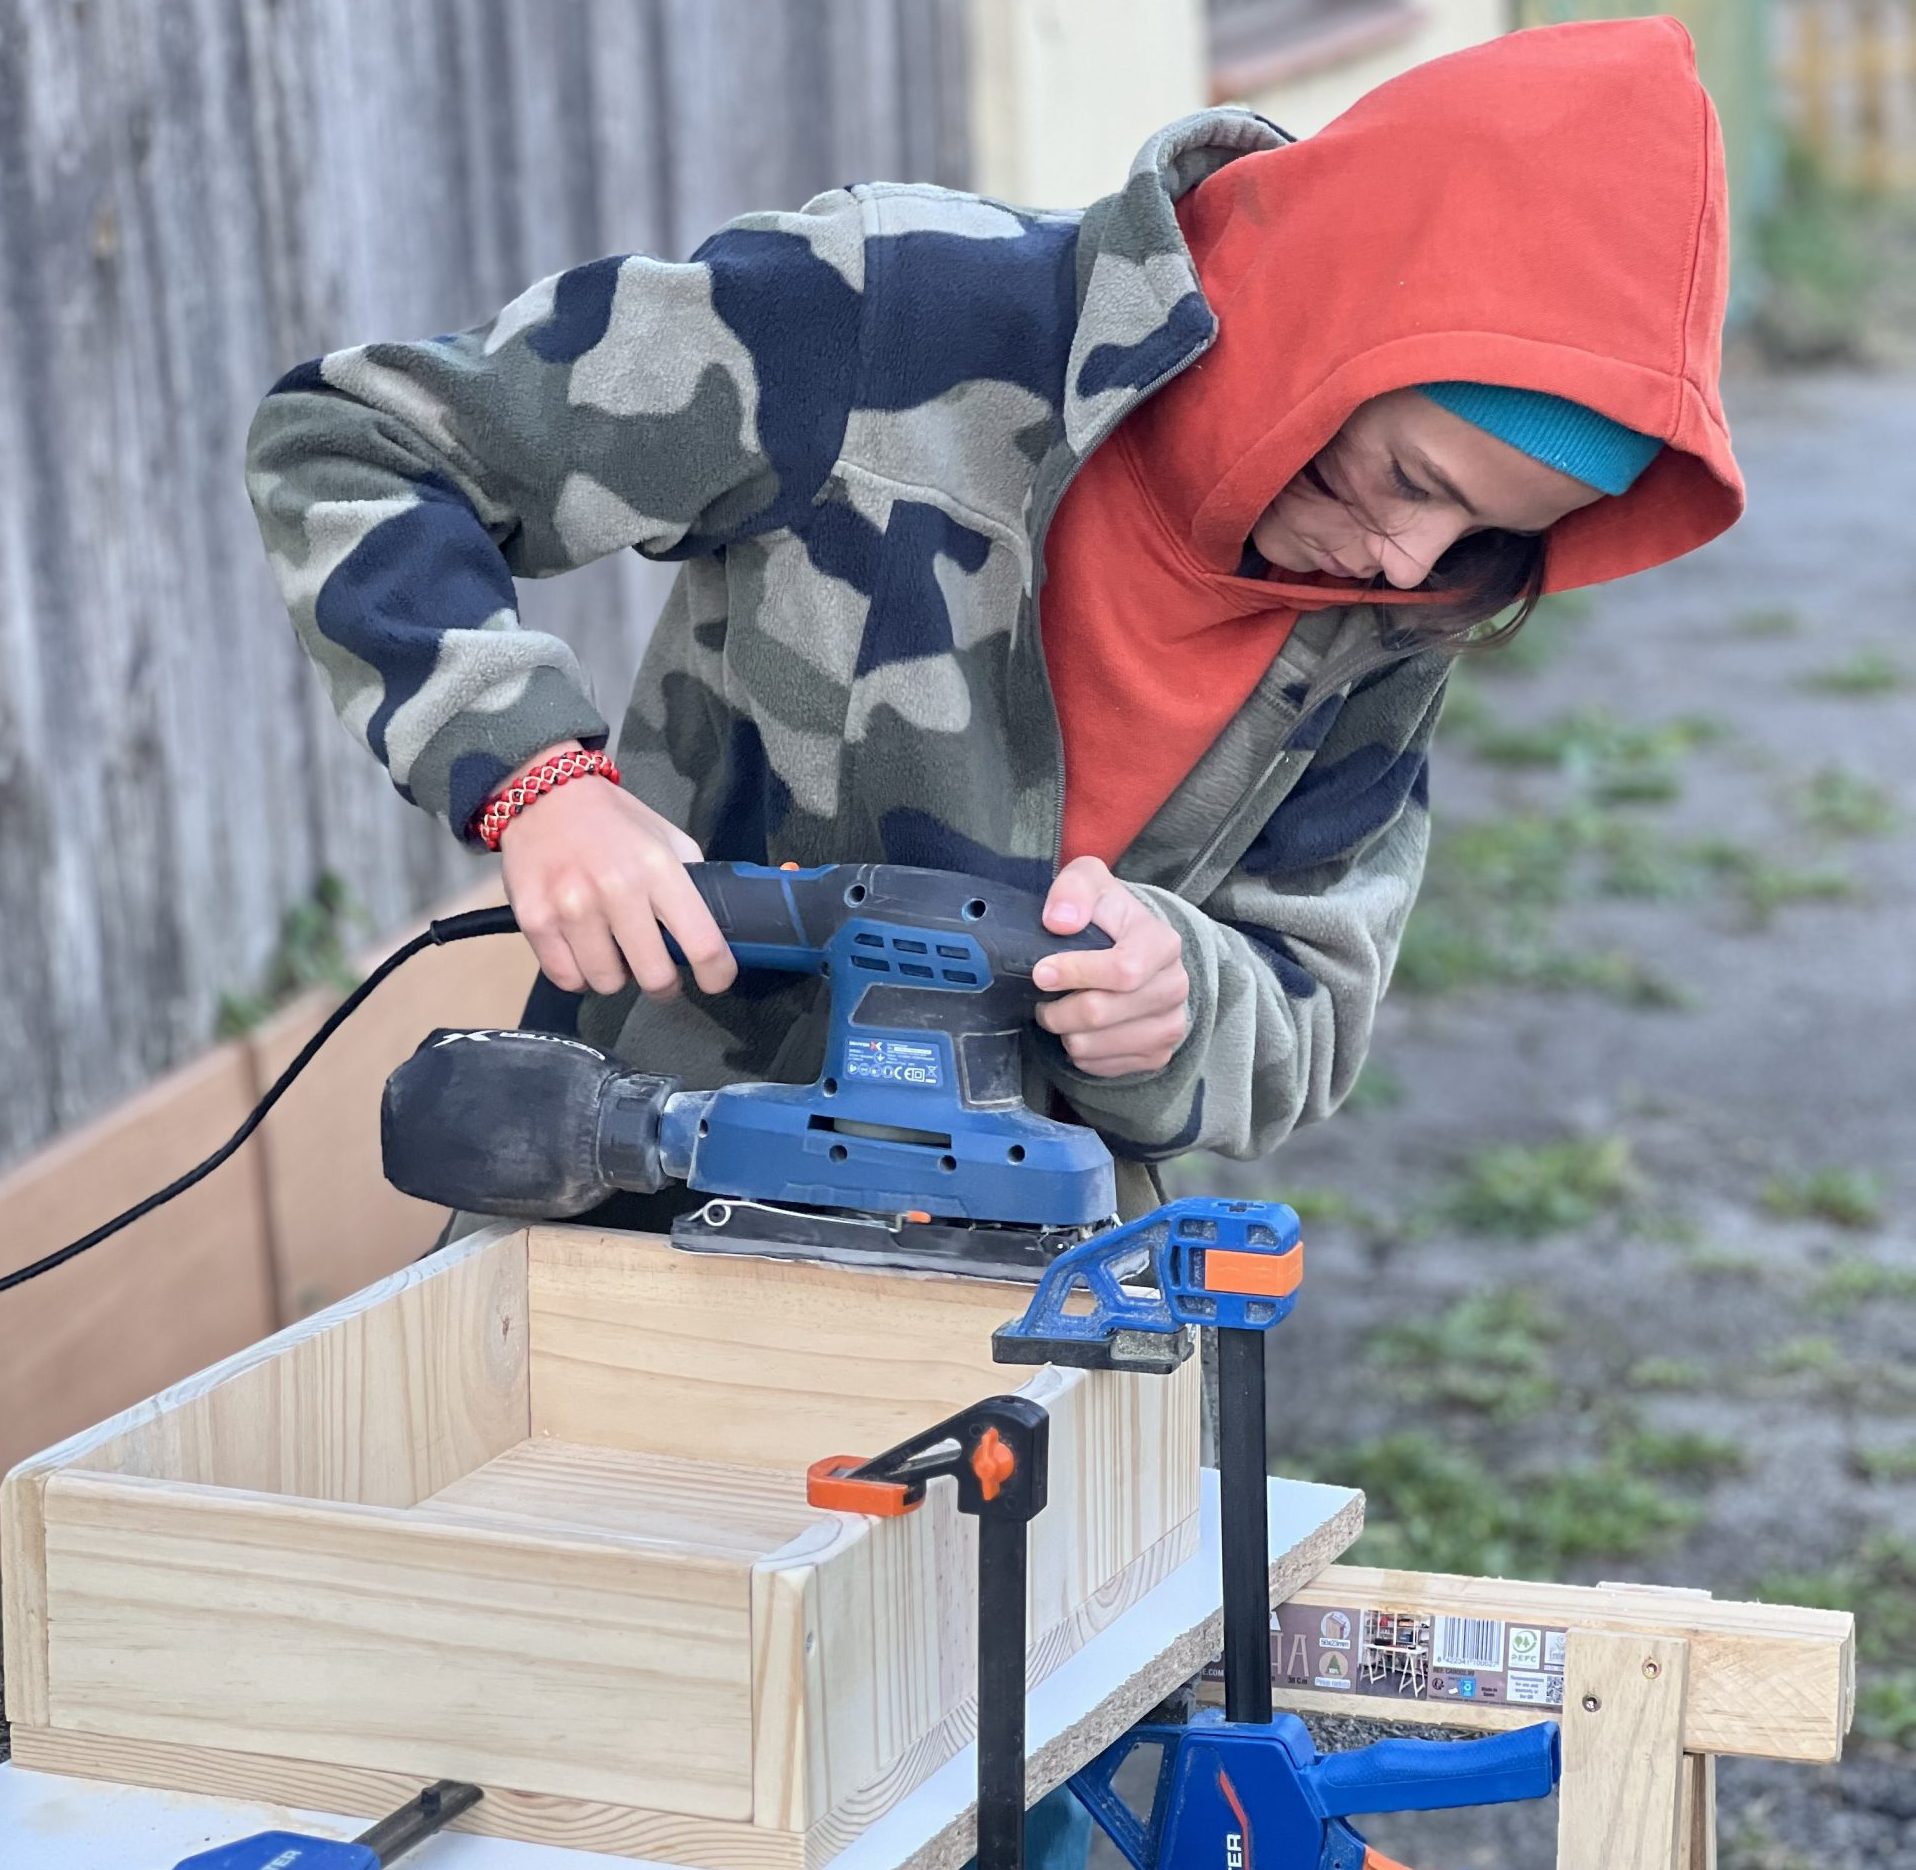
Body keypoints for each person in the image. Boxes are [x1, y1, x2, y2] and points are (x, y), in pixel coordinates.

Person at [246, 13, 1741, 1227]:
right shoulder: (884, 313)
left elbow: (1305, 1010)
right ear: (1322, 317)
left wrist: (1175, 1002)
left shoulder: (1392, 615)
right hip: (637, 1192)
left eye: (1484, 532)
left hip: (1036, 1302)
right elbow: (357, 441)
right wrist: (538, 783)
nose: (1415, 558)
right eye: (1408, 473)